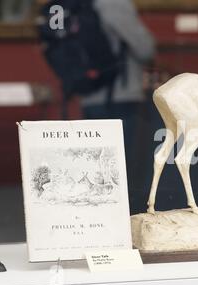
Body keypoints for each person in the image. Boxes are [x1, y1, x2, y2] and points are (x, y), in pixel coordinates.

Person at [80, 0, 156, 212]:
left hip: (91, 96)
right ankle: (122, 226)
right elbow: (145, 48)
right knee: (124, 170)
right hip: (120, 98)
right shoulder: (114, 3)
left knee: (99, 167)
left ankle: (100, 224)